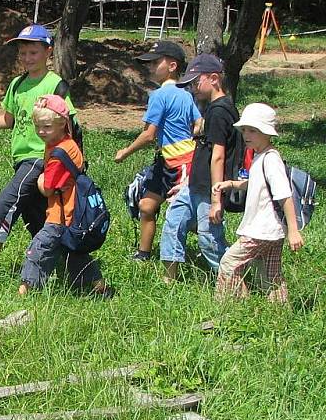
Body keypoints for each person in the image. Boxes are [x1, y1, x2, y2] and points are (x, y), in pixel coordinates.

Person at [0, 24, 77, 269]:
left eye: (33, 52)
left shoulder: (56, 85)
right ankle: (63, 264)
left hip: (41, 158)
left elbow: (69, 125)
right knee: (38, 216)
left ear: (48, 52)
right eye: (23, 53)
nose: (27, 58)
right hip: (22, 159)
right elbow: (8, 120)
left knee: (7, 202)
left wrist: (66, 165)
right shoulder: (17, 85)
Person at [114, 40, 201, 261]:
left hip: (179, 163)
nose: (150, 67)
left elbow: (148, 134)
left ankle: (210, 245)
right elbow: (199, 123)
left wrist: (125, 152)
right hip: (171, 161)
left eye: (155, 63)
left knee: (185, 215)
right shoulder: (186, 94)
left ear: (172, 66)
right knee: (146, 205)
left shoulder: (158, 96)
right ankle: (143, 254)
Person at [18, 96, 112, 297]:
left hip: (60, 216)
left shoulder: (59, 153)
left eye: (47, 126)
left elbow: (48, 189)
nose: (41, 132)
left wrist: (40, 179)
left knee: (39, 249)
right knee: (74, 252)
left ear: (62, 123)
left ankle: (25, 292)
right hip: (72, 213)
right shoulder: (66, 142)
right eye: (38, 127)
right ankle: (99, 287)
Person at [213, 103, 303, 303]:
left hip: (261, 229)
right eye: (244, 130)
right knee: (269, 274)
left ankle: (232, 307)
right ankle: (279, 313)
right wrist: (232, 184)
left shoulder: (271, 159)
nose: (246, 135)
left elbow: (284, 195)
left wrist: (294, 230)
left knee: (229, 263)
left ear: (266, 132)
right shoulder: (261, 156)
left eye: (253, 130)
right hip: (271, 230)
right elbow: (256, 182)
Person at [160, 54, 238, 281]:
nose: (193, 88)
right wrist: (186, 181)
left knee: (209, 239)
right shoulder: (211, 108)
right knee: (173, 224)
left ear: (214, 79)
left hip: (209, 188)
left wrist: (216, 199)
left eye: (196, 82)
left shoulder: (221, 111)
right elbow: (203, 152)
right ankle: (169, 280)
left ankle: (231, 281)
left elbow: (218, 157)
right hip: (194, 184)